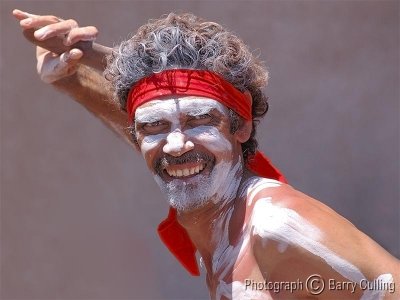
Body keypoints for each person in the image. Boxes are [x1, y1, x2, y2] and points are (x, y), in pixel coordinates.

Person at [13, 9, 399, 300]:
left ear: (241, 127)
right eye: (154, 127)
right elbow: (164, 139)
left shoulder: (276, 227)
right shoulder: (215, 217)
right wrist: (73, 77)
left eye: (199, 120)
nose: (176, 145)